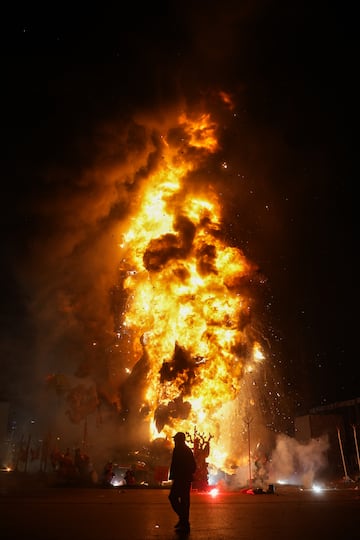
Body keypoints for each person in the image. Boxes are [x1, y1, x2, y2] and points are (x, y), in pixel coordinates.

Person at [168, 432, 197, 533]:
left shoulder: (184, 450)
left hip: (182, 479)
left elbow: (193, 466)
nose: (174, 441)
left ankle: (184, 521)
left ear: (180, 440)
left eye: (175, 439)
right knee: (183, 501)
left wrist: (183, 474)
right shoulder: (180, 449)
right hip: (182, 479)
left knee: (176, 498)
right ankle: (183, 520)